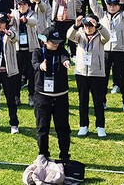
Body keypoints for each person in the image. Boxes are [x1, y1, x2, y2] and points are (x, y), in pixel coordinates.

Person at [33, 27, 73, 162]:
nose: (56, 44)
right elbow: (34, 63)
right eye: (53, 42)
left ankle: (64, 155)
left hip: (61, 95)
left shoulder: (61, 50)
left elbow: (64, 57)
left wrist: (66, 62)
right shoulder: (38, 52)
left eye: (58, 42)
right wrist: (40, 66)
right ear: (45, 41)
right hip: (43, 96)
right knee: (42, 127)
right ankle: (43, 154)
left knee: (63, 127)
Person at [68, 15, 109, 137]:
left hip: (96, 73)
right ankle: (83, 125)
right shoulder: (80, 34)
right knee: (83, 100)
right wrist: (76, 25)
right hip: (81, 72)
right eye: (86, 26)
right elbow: (69, 36)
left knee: (98, 101)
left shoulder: (100, 35)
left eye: (91, 26)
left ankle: (100, 126)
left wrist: (99, 26)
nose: (88, 28)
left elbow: (107, 36)